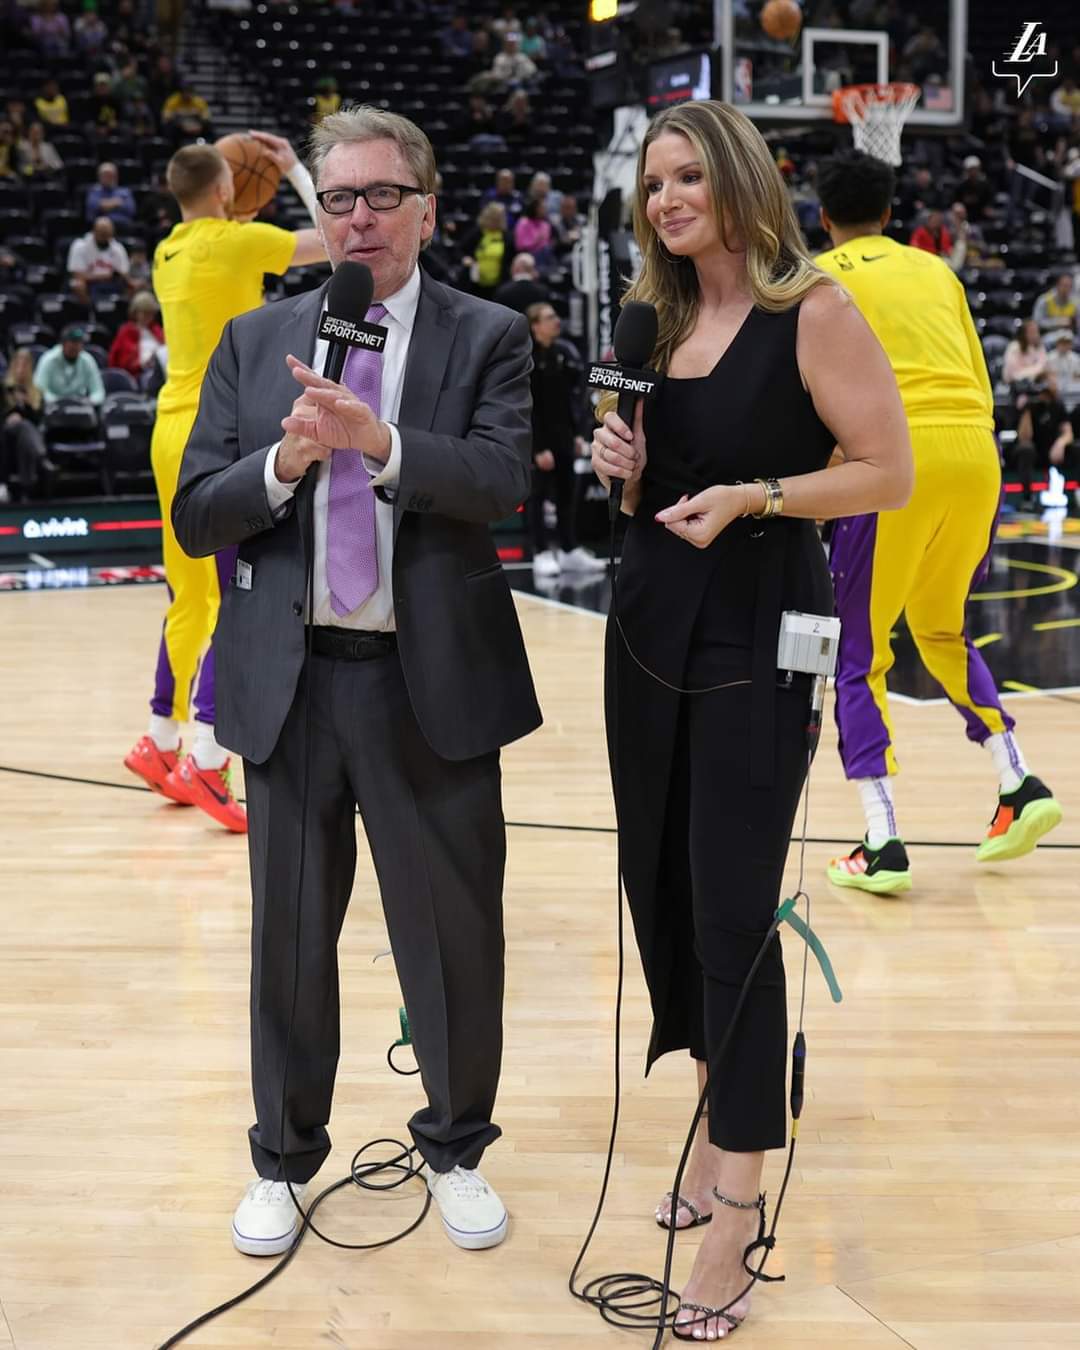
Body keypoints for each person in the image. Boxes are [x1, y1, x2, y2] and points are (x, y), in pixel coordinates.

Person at [170, 105, 540, 1261]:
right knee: (287, 944)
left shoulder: (486, 334)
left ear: (427, 208)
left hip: (428, 683)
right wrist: (285, 460)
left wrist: (379, 444)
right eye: (339, 199)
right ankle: (282, 1161)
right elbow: (196, 510)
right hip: (290, 686)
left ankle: (456, 1149)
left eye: (384, 196)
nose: (361, 218)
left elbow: (502, 480)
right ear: (318, 214)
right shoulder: (254, 340)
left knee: (454, 940)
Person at [590, 102, 912, 1342]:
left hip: (760, 630)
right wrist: (624, 471)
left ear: (735, 180)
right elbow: (641, 495)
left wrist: (757, 495)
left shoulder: (812, 312)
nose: (667, 198)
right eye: (652, 183)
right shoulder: (652, 320)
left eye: (687, 176)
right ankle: (716, 1112)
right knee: (663, 890)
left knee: (731, 907)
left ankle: (738, 1200)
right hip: (647, 623)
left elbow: (886, 471)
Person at [814, 149, 1063, 893]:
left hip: (894, 460)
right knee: (942, 630)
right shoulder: (936, 270)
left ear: (823, 219)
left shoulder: (817, 278)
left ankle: (880, 839)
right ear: (891, 214)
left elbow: (811, 391)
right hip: (976, 457)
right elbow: (979, 379)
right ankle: (1017, 782)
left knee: (859, 654)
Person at [122, 133, 326, 830]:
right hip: (222, 432)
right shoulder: (240, 243)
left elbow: (216, 219)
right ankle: (207, 760)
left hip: (168, 430)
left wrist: (232, 192)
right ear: (225, 190)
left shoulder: (167, 251)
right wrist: (293, 170)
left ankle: (161, 737)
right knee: (243, 591)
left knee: (188, 594)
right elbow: (338, 241)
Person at [526, 301, 603, 577]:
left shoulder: (563, 353)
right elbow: (527, 407)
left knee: (567, 494)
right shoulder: (527, 359)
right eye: (549, 317)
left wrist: (579, 434)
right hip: (540, 441)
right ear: (535, 326)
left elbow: (575, 398)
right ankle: (541, 552)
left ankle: (569, 550)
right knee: (538, 496)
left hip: (565, 437)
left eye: (555, 316)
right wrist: (537, 448)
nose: (556, 321)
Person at [1014, 371, 1078, 509]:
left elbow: (1068, 433)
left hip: (1054, 450)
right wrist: (1026, 410)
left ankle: (1075, 493)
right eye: (1049, 382)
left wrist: (1060, 444)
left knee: (1075, 448)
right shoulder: (1031, 405)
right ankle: (1027, 498)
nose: (1053, 385)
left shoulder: (1058, 405)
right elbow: (1024, 437)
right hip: (1035, 452)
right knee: (1025, 449)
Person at [1, 348, 55, 501]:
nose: (21, 368)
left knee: (25, 430)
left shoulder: (36, 392)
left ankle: (26, 487)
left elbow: (39, 420)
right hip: (6, 435)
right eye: (18, 364)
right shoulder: (3, 389)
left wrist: (26, 405)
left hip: (26, 439)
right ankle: (42, 457)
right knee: (24, 428)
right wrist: (12, 413)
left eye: (25, 364)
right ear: (12, 366)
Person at [33, 324, 106, 409]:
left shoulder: (87, 360)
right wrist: (59, 402)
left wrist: (89, 401)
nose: (76, 346)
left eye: (79, 342)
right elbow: (40, 390)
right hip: (53, 407)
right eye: (73, 342)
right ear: (63, 343)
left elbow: (98, 391)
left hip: (80, 406)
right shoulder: (48, 360)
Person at [67, 217, 131, 305]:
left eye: (107, 233)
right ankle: (90, 310)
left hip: (112, 283)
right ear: (94, 231)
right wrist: (106, 276)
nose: (104, 236)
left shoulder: (118, 247)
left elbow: (124, 273)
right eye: (102, 232)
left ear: (112, 233)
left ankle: (122, 310)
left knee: (133, 286)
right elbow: (77, 275)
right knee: (78, 285)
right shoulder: (80, 245)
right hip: (89, 283)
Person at [107, 290, 165, 386]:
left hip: (160, 368)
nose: (148, 317)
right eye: (144, 313)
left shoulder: (156, 330)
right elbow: (124, 362)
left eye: (150, 313)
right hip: (138, 375)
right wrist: (143, 363)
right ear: (135, 312)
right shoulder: (127, 331)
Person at [458, 200, 513, 299]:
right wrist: (465, 258)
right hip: (475, 283)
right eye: (492, 219)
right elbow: (459, 250)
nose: (494, 222)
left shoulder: (507, 237)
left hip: (498, 284)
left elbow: (511, 258)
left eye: (497, 219)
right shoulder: (476, 233)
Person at [85, 161, 137, 228]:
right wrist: (116, 203)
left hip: (123, 225)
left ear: (116, 176)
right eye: (105, 175)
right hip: (101, 226)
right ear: (99, 176)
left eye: (111, 175)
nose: (108, 178)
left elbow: (131, 210)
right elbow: (92, 209)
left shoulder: (125, 192)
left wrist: (105, 205)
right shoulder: (94, 191)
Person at [1003, 319, 1049, 386]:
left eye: (1036, 331)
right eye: (1032, 332)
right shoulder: (1014, 347)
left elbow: (1043, 366)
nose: (1035, 335)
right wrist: (1035, 371)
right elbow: (1014, 374)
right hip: (1015, 385)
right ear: (1023, 334)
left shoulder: (1039, 347)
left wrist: (1036, 372)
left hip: (1035, 383)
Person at [1033, 272, 1077, 337]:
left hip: (1069, 335)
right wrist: (1057, 322)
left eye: (1069, 286)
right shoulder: (1044, 300)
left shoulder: (1075, 302)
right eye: (1064, 285)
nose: (1066, 289)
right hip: (1047, 335)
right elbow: (1037, 322)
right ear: (1057, 285)